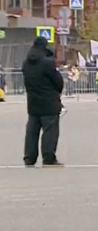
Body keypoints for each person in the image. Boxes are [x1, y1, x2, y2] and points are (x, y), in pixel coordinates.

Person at [22, 36, 64, 167]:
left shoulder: (26, 63)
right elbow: (57, 81)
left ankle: (29, 157)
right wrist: (57, 92)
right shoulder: (47, 63)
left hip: (33, 102)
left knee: (32, 131)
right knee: (50, 130)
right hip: (49, 102)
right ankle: (48, 157)